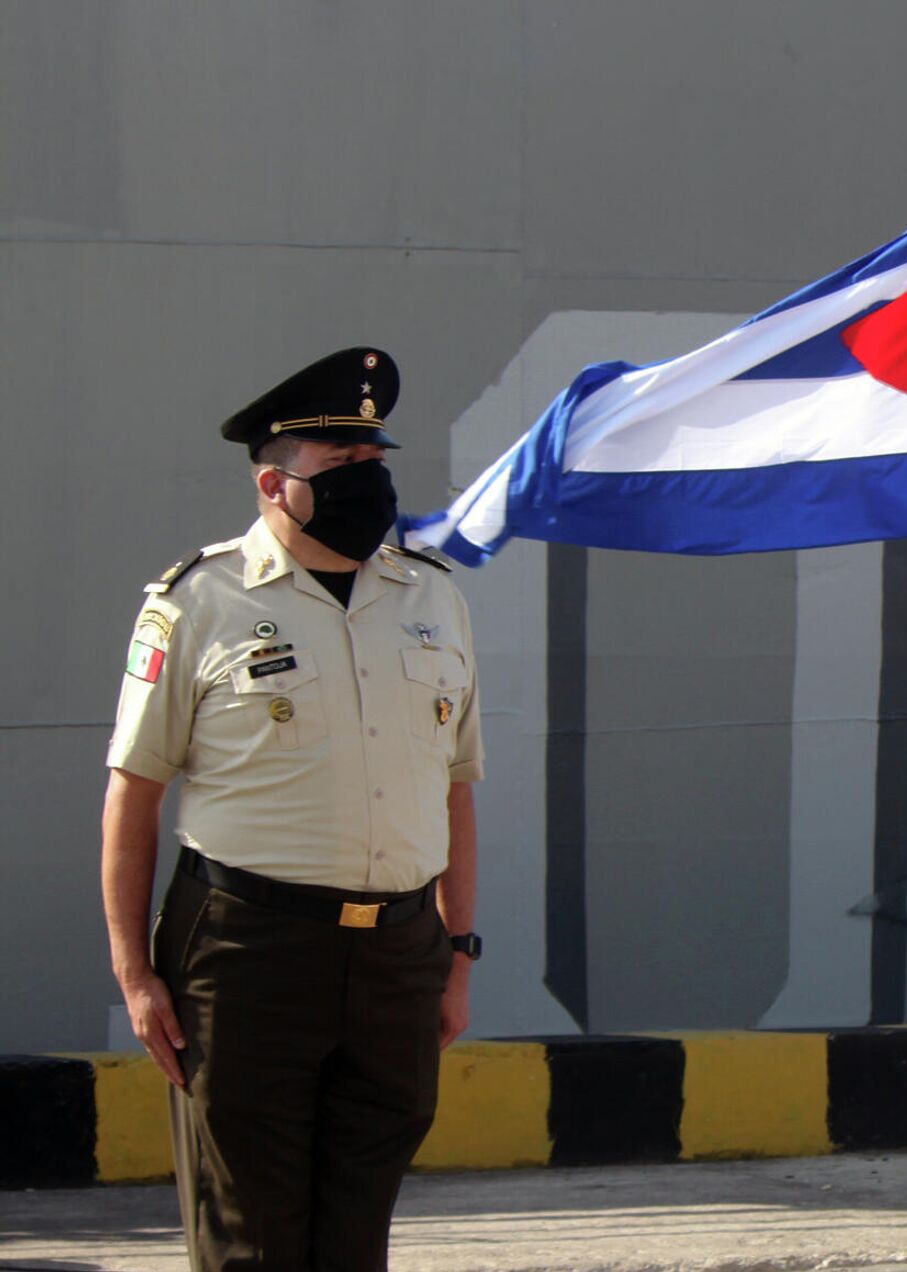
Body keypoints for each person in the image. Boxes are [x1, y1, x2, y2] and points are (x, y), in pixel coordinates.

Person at [100, 347, 485, 1270]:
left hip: (396, 952)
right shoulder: (200, 601)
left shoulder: (432, 597)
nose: (371, 481)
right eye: (342, 466)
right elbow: (135, 791)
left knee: (358, 1227)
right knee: (252, 1233)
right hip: (247, 949)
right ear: (276, 483)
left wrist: (456, 949)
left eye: (375, 462)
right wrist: (134, 972)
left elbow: (457, 785)